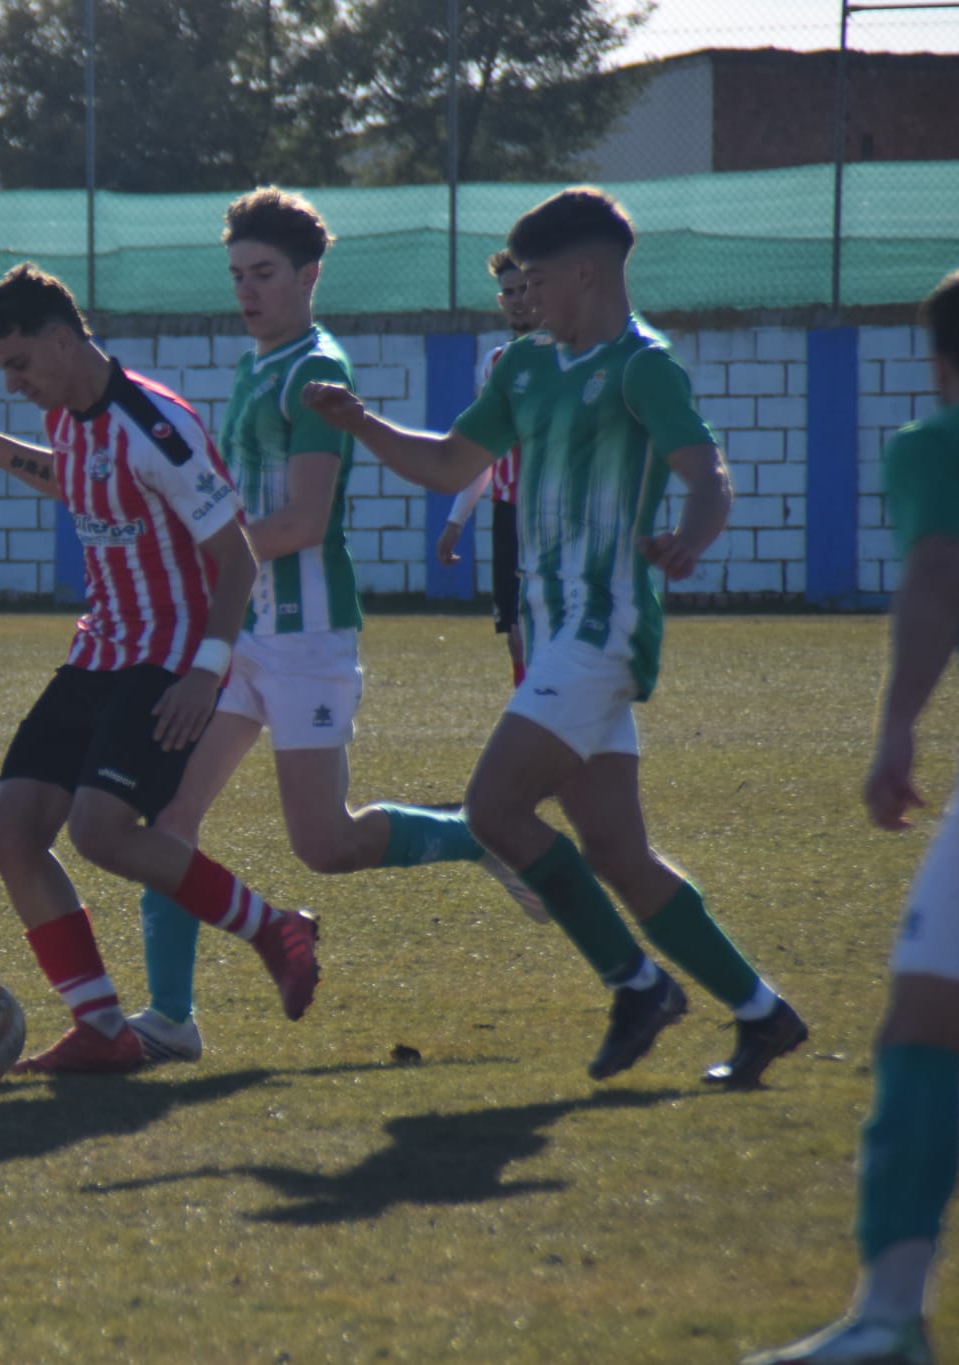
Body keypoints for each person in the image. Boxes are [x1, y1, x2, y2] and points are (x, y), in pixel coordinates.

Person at [301, 188, 806, 1085]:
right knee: (616, 850)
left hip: (602, 629)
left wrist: (693, 532)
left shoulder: (643, 366)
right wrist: (362, 424)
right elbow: (451, 462)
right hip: (551, 633)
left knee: (494, 811)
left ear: (585, 274)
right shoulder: (526, 367)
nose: (524, 295)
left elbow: (707, 470)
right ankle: (764, 1013)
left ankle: (637, 983)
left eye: (535, 278)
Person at [126, 190, 510, 1064]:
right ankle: (171, 1018)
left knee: (325, 843)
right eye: (237, 275)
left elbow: (301, 521)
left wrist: (202, 562)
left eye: (264, 274)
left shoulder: (314, 371)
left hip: (306, 634)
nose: (247, 291)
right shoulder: (256, 365)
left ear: (309, 276)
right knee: (166, 817)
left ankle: (490, 836)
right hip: (243, 629)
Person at [0, 262, 320, 1076]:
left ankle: (274, 927)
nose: (15, 383)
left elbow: (236, 558)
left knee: (100, 829)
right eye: (5, 370)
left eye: (20, 364)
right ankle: (102, 1026)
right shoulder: (71, 412)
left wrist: (206, 673)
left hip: (170, 654)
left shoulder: (154, 425)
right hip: (101, 648)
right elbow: (77, 482)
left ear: (64, 340)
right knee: (11, 833)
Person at [738, 272, 959, 1365]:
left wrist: (894, 727)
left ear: (937, 363)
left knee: (923, 1022)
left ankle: (886, 1318)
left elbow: (933, 572)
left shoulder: (937, 445)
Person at [436, 250, 540, 689]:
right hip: (507, 512)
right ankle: (529, 708)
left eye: (525, 290)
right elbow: (482, 451)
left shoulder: (571, 356)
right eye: (509, 292)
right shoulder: (496, 363)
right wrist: (455, 521)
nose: (517, 300)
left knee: (549, 625)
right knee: (514, 631)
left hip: (553, 511)